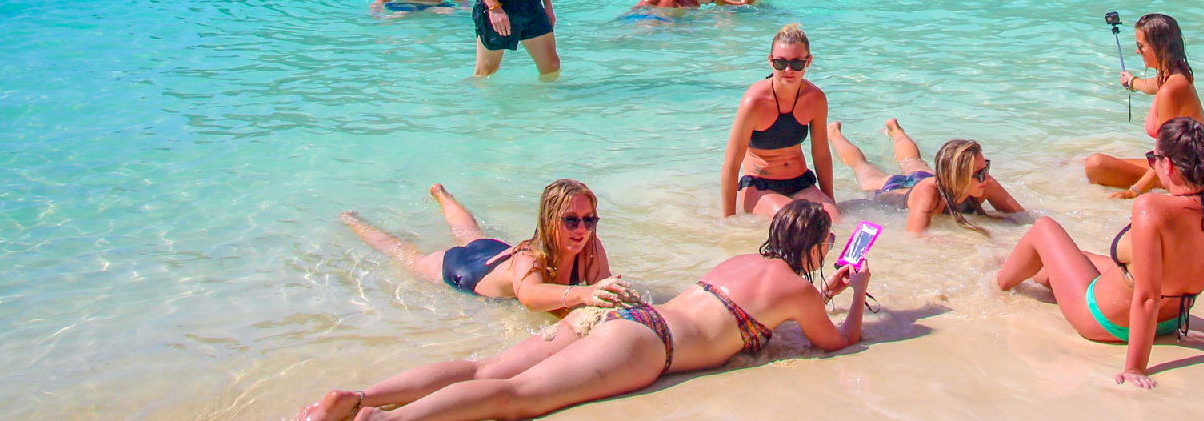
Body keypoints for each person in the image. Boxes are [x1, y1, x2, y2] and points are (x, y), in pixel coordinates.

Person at [296, 200, 870, 421]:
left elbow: (773, 308)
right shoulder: (795, 289)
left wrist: (831, 292)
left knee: (485, 370)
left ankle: (364, 397)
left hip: (618, 314)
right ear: (817, 247)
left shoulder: (743, 263)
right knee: (513, 401)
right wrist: (859, 294)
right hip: (648, 345)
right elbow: (835, 343)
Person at [996, 118, 1204, 389]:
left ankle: (996, 281)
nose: (1152, 166)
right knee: (1077, 257)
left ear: (1166, 164)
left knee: (1044, 229)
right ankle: (1027, 274)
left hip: (1103, 320)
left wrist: (1135, 368)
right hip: (1169, 323)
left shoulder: (1152, 208)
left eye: (1153, 160)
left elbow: (1147, 296)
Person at [337, 181, 627, 314]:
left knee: (471, 234)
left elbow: (603, 284)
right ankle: (353, 222)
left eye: (589, 220)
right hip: (466, 271)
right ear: (549, 220)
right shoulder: (530, 257)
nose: (582, 229)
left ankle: (441, 194)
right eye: (571, 220)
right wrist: (583, 294)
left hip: (494, 252)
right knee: (403, 253)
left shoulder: (590, 245)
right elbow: (530, 296)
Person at [721, 24, 838, 221]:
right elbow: (731, 164)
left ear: (808, 61)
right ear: (770, 61)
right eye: (781, 63)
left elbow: (821, 155)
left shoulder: (815, 99)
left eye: (797, 63)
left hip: (800, 182)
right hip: (760, 186)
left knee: (834, 220)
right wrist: (728, 222)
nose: (788, 70)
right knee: (794, 223)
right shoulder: (754, 102)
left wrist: (830, 200)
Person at [1084, 13, 1204, 198]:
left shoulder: (1171, 89)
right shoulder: (1174, 75)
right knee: (1081, 161)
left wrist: (1134, 191)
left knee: (1095, 165)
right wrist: (1132, 82)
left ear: (1159, 47)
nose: (1136, 52)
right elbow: (1150, 86)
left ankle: (1159, 184)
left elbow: (1165, 155)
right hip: (1184, 166)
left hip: (1181, 175)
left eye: (1140, 46)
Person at [829, 118, 1025, 233]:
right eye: (979, 174)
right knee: (861, 166)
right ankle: (834, 134)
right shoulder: (929, 194)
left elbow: (1022, 218)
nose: (986, 177)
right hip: (894, 189)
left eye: (986, 168)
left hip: (924, 176)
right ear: (958, 176)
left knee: (911, 161)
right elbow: (916, 237)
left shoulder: (985, 185)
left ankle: (895, 130)